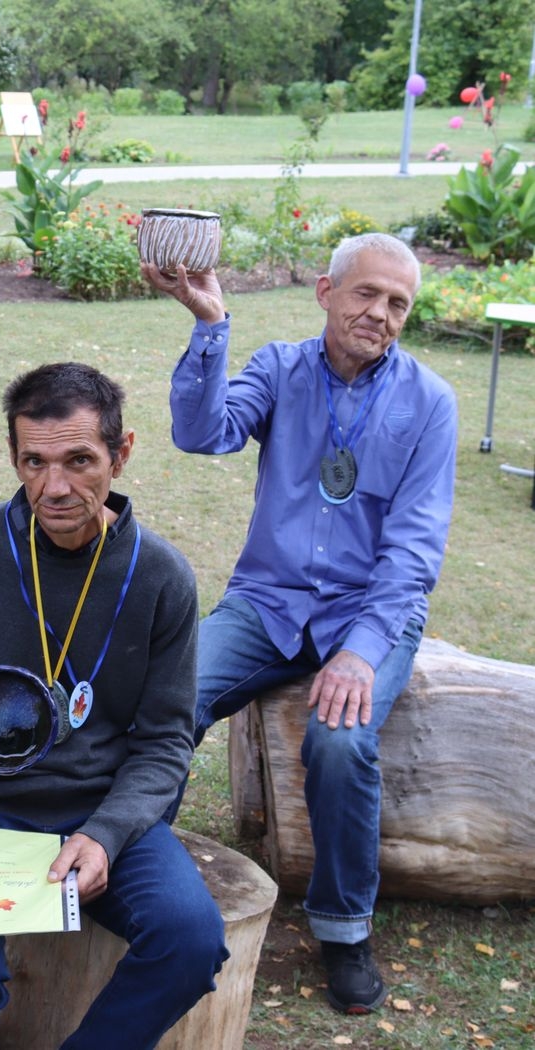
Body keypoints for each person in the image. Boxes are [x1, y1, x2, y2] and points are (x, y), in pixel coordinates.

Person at [144, 233, 457, 1015]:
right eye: (365, 294)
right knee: (169, 700)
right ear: (325, 290)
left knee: (339, 740)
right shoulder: (280, 369)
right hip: (268, 600)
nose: (378, 314)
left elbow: (414, 549)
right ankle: (138, 869)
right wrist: (211, 324)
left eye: (397, 304)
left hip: (368, 610)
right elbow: (200, 432)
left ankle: (343, 928)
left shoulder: (430, 403)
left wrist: (357, 653)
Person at [0, 363, 227, 1049]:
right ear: (14, 457)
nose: (55, 487)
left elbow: (164, 741)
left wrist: (106, 832)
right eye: (33, 462)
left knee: (190, 940)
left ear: (120, 455)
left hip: (98, 808)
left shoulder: (160, 576)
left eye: (79, 461)